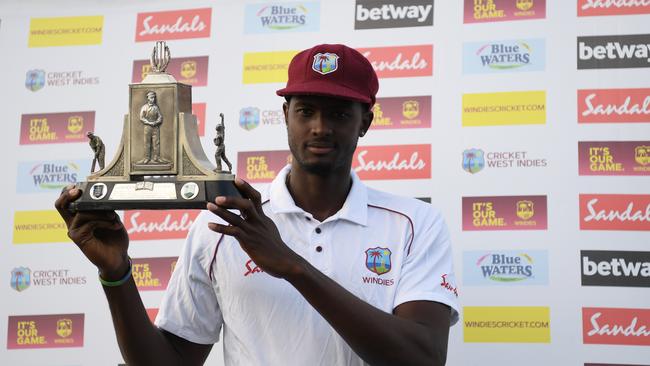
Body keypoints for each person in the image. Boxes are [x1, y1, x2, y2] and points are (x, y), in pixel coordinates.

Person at [55, 44, 459, 366]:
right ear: (286, 116)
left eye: (338, 113)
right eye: (306, 111)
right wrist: (116, 274)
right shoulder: (222, 224)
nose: (320, 127)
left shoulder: (414, 224)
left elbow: (422, 357)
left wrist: (293, 266)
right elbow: (171, 360)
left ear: (365, 122)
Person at [138, 90, 167, 164]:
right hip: (147, 127)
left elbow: (160, 117)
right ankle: (146, 158)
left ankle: (156, 158)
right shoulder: (144, 107)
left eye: (154, 98)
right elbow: (141, 117)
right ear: (148, 98)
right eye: (151, 98)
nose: (153, 99)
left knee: (156, 143)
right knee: (147, 143)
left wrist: (156, 122)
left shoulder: (156, 107)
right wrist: (148, 122)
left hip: (155, 127)